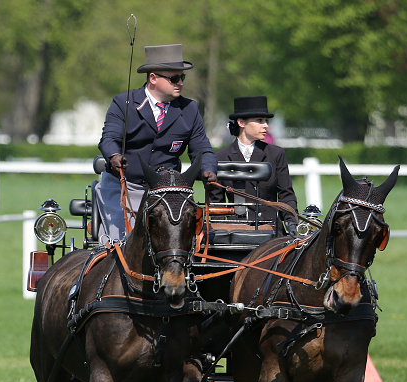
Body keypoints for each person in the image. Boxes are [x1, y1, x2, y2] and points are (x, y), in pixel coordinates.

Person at [96, 44, 218, 242]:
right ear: (153, 78)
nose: (181, 83)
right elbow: (109, 138)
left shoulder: (190, 109)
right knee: (121, 245)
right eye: (174, 78)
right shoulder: (123, 103)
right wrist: (113, 156)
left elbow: (203, 148)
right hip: (125, 187)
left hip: (167, 191)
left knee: (178, 245)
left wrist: (208, 168)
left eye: (182, 78)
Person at [209, 96, 298, 236]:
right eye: (259, 121)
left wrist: (292, 222)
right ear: (241, 122)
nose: (266, 125)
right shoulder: (220, 157)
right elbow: (216, 203)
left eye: (266, 121)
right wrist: (220, 232)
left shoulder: (276, 154)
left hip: (271, 231)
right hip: (234, 232)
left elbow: (286, 195)